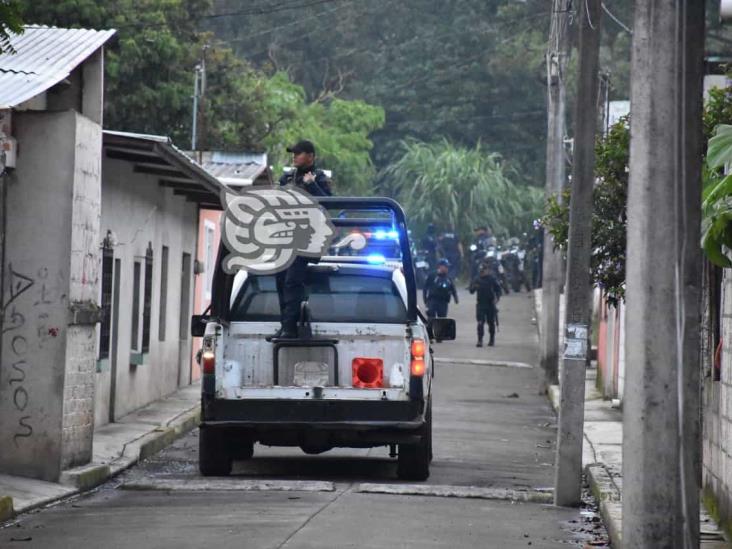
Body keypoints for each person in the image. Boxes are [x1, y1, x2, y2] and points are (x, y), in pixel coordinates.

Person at [274, 140, 332, 339]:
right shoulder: (287, 177)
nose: (294, 156)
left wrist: (312, 185)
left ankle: (290, 328)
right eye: (294, 153)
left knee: (291, 282)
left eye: (298, 153)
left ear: (310, 156)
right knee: (281, 280)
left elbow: (329, 204)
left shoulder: (319, 177)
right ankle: (285, 325)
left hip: (306, 238)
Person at [470, 261, 502, 347]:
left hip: (490, 304)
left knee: (491, 323)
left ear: (487, 270)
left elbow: (498, 290)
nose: (482, 272)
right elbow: (471, 290)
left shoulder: (492, 279)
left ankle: (492, 339)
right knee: (480, 322)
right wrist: (474, 287)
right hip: (480, 304)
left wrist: (497, 298)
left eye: (484, 270)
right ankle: (480, 340)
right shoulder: (477, 279)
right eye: (481, 271)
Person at [423, 259, 459, 324]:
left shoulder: (448, 277)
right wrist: (425, 299)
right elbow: (425, 287)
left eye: (447, 267)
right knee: (431, 318)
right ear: (440, 266)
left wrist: (455, 298)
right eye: (446, 266)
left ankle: (440, 333)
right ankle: (430, 332)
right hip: (433, 300)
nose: (447, 268)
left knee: (442, 320)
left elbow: (452, 288)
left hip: (443, 301)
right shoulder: (432, 275)